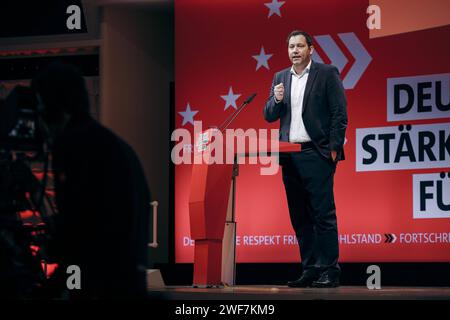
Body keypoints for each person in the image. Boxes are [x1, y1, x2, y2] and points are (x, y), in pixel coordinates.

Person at [31, 63, 151, 299]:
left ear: (55, 108)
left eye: (41, 109)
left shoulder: (74, 144)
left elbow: (79, 233)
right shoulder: (114, 145)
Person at [264, 30, 348, 288]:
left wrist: (333, 149)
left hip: (317, 153)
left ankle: (330, 270)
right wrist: (276, 99)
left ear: (310, 49)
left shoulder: (326, 73)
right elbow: (269, 115)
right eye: (291, 46)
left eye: (300, 46)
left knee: (322, 215)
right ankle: (310, 269)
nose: (295, 51)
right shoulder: (280, 77)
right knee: (300, 217)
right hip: (290, 155)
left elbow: (339, 113)